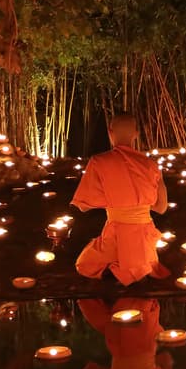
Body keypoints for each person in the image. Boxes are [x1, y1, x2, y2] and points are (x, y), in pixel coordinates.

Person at [71, 113, 170, 285]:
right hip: (145, 241)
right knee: (137, 260)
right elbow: (161, 208)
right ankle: (132, 268)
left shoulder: (98, 162)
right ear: (136, 134)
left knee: (84, 265)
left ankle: (117, 268)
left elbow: (83, 207)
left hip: (115, 236)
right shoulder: (151, 165)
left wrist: (114, 198)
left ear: (110, 132)